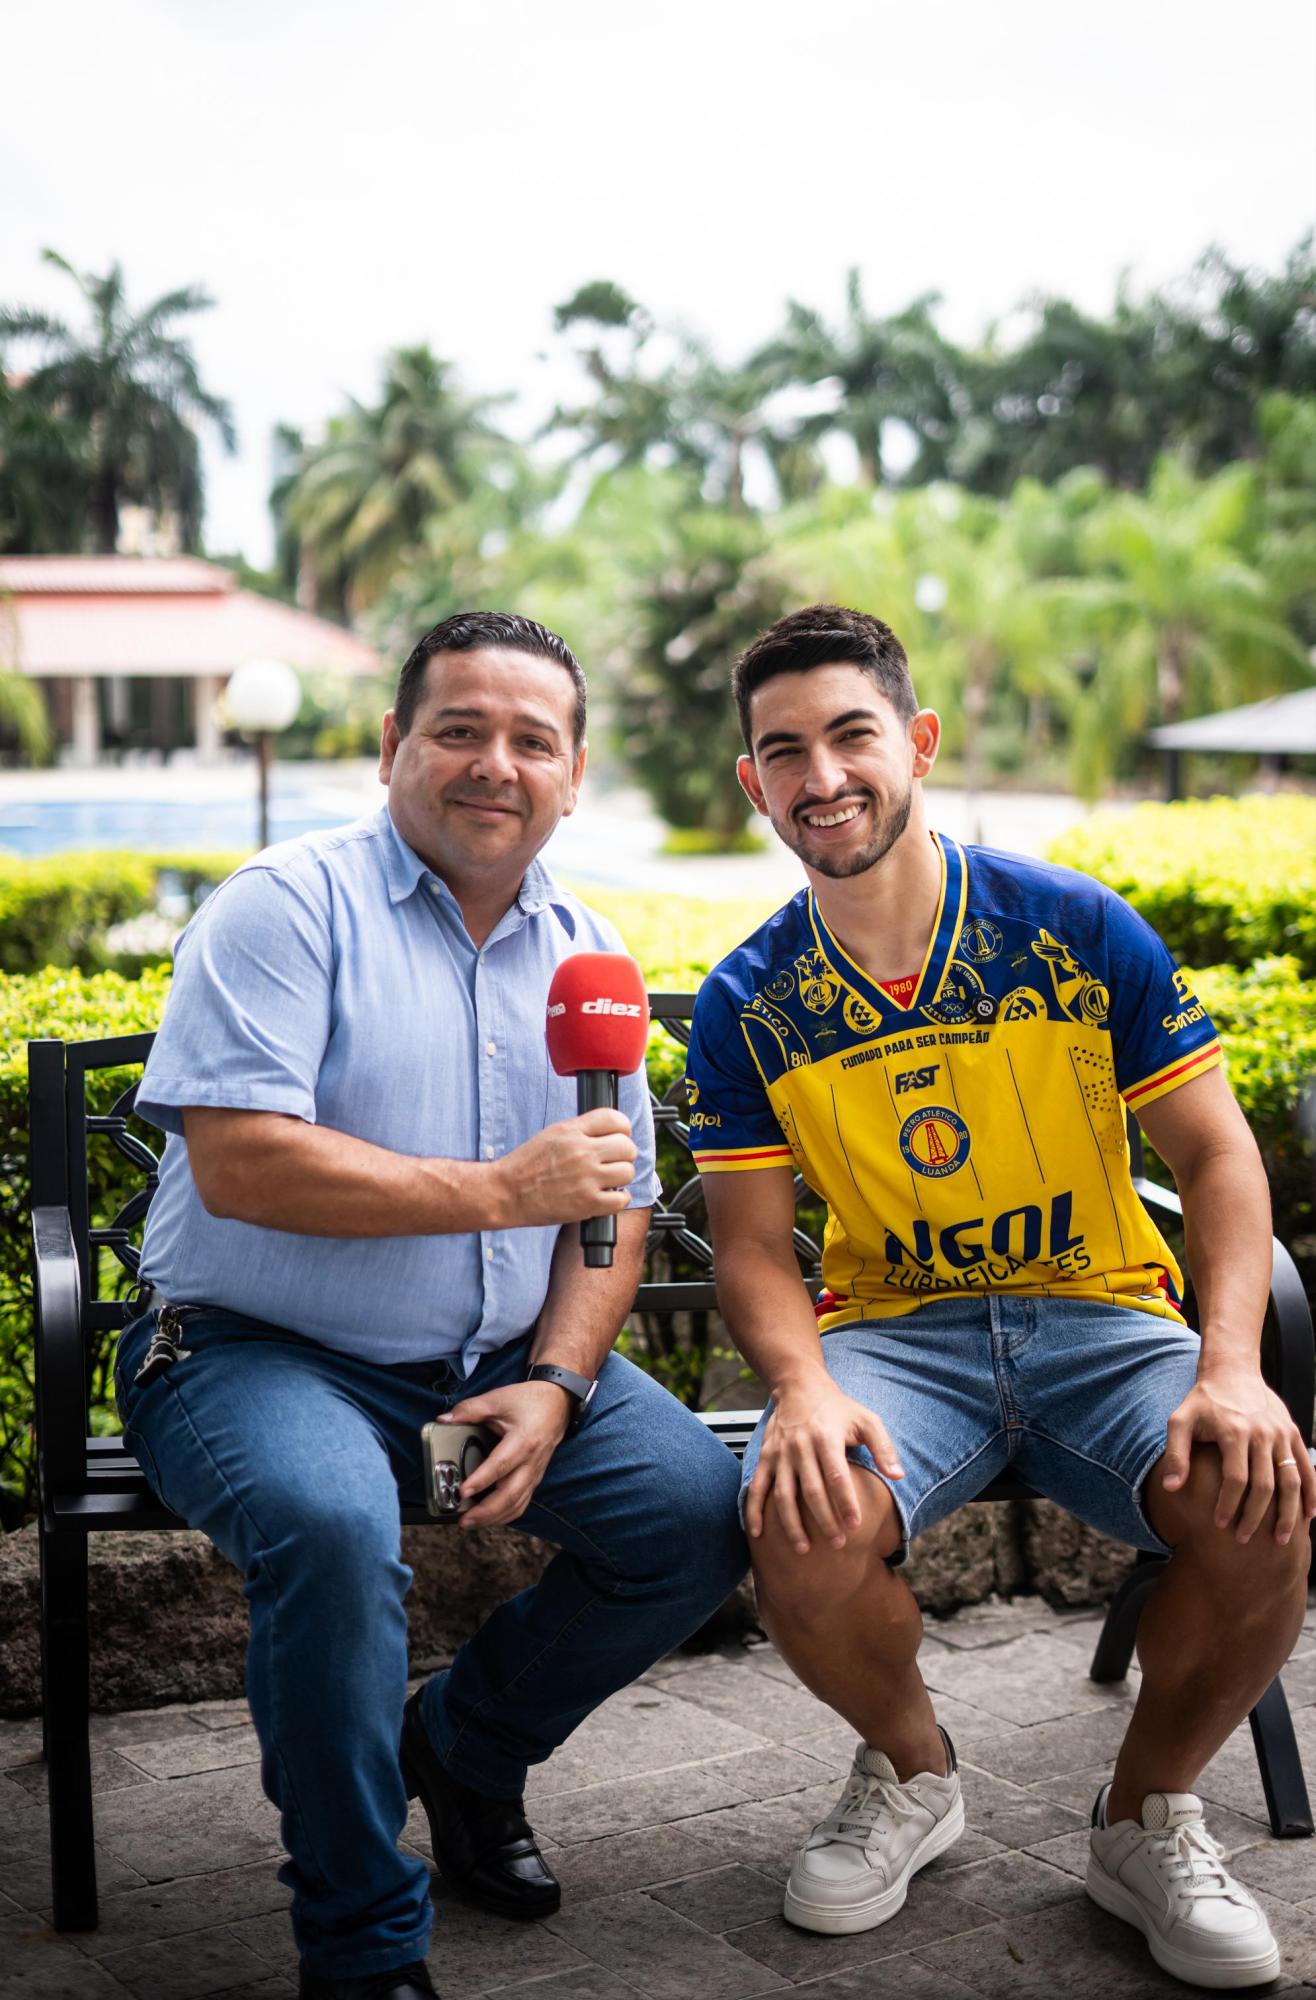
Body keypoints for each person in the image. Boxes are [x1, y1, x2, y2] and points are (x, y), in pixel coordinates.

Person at [115, 612, 747, 2000]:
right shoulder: (285, 907)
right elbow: (238, 1161)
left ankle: (462, 1755)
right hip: (251, 1361)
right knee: (340, 1532)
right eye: (460, 728)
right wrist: (493, 1192)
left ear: (574, 776)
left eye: (534, 740)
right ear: (395, 744)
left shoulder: (589, 953)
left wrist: (560, 1380)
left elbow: (611, 1205)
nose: (495, 764)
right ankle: (361, 1944)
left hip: (477, 1383)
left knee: (699, 1518)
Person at [684, 603, 1314, 1992]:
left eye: (851, 733)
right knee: (802, 1507)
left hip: (1102, 1322)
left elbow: (1216, 1155)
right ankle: (914, 1774)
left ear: (914, 740)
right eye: (782, 751)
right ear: (754, 784)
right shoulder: (749, 1001)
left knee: (1260, 1487)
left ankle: (1146, 1816)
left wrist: (1231, 1365)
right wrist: (800, 1387)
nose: (821, 775)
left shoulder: (1075, 929)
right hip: (897, 1342)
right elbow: (746, 1244)